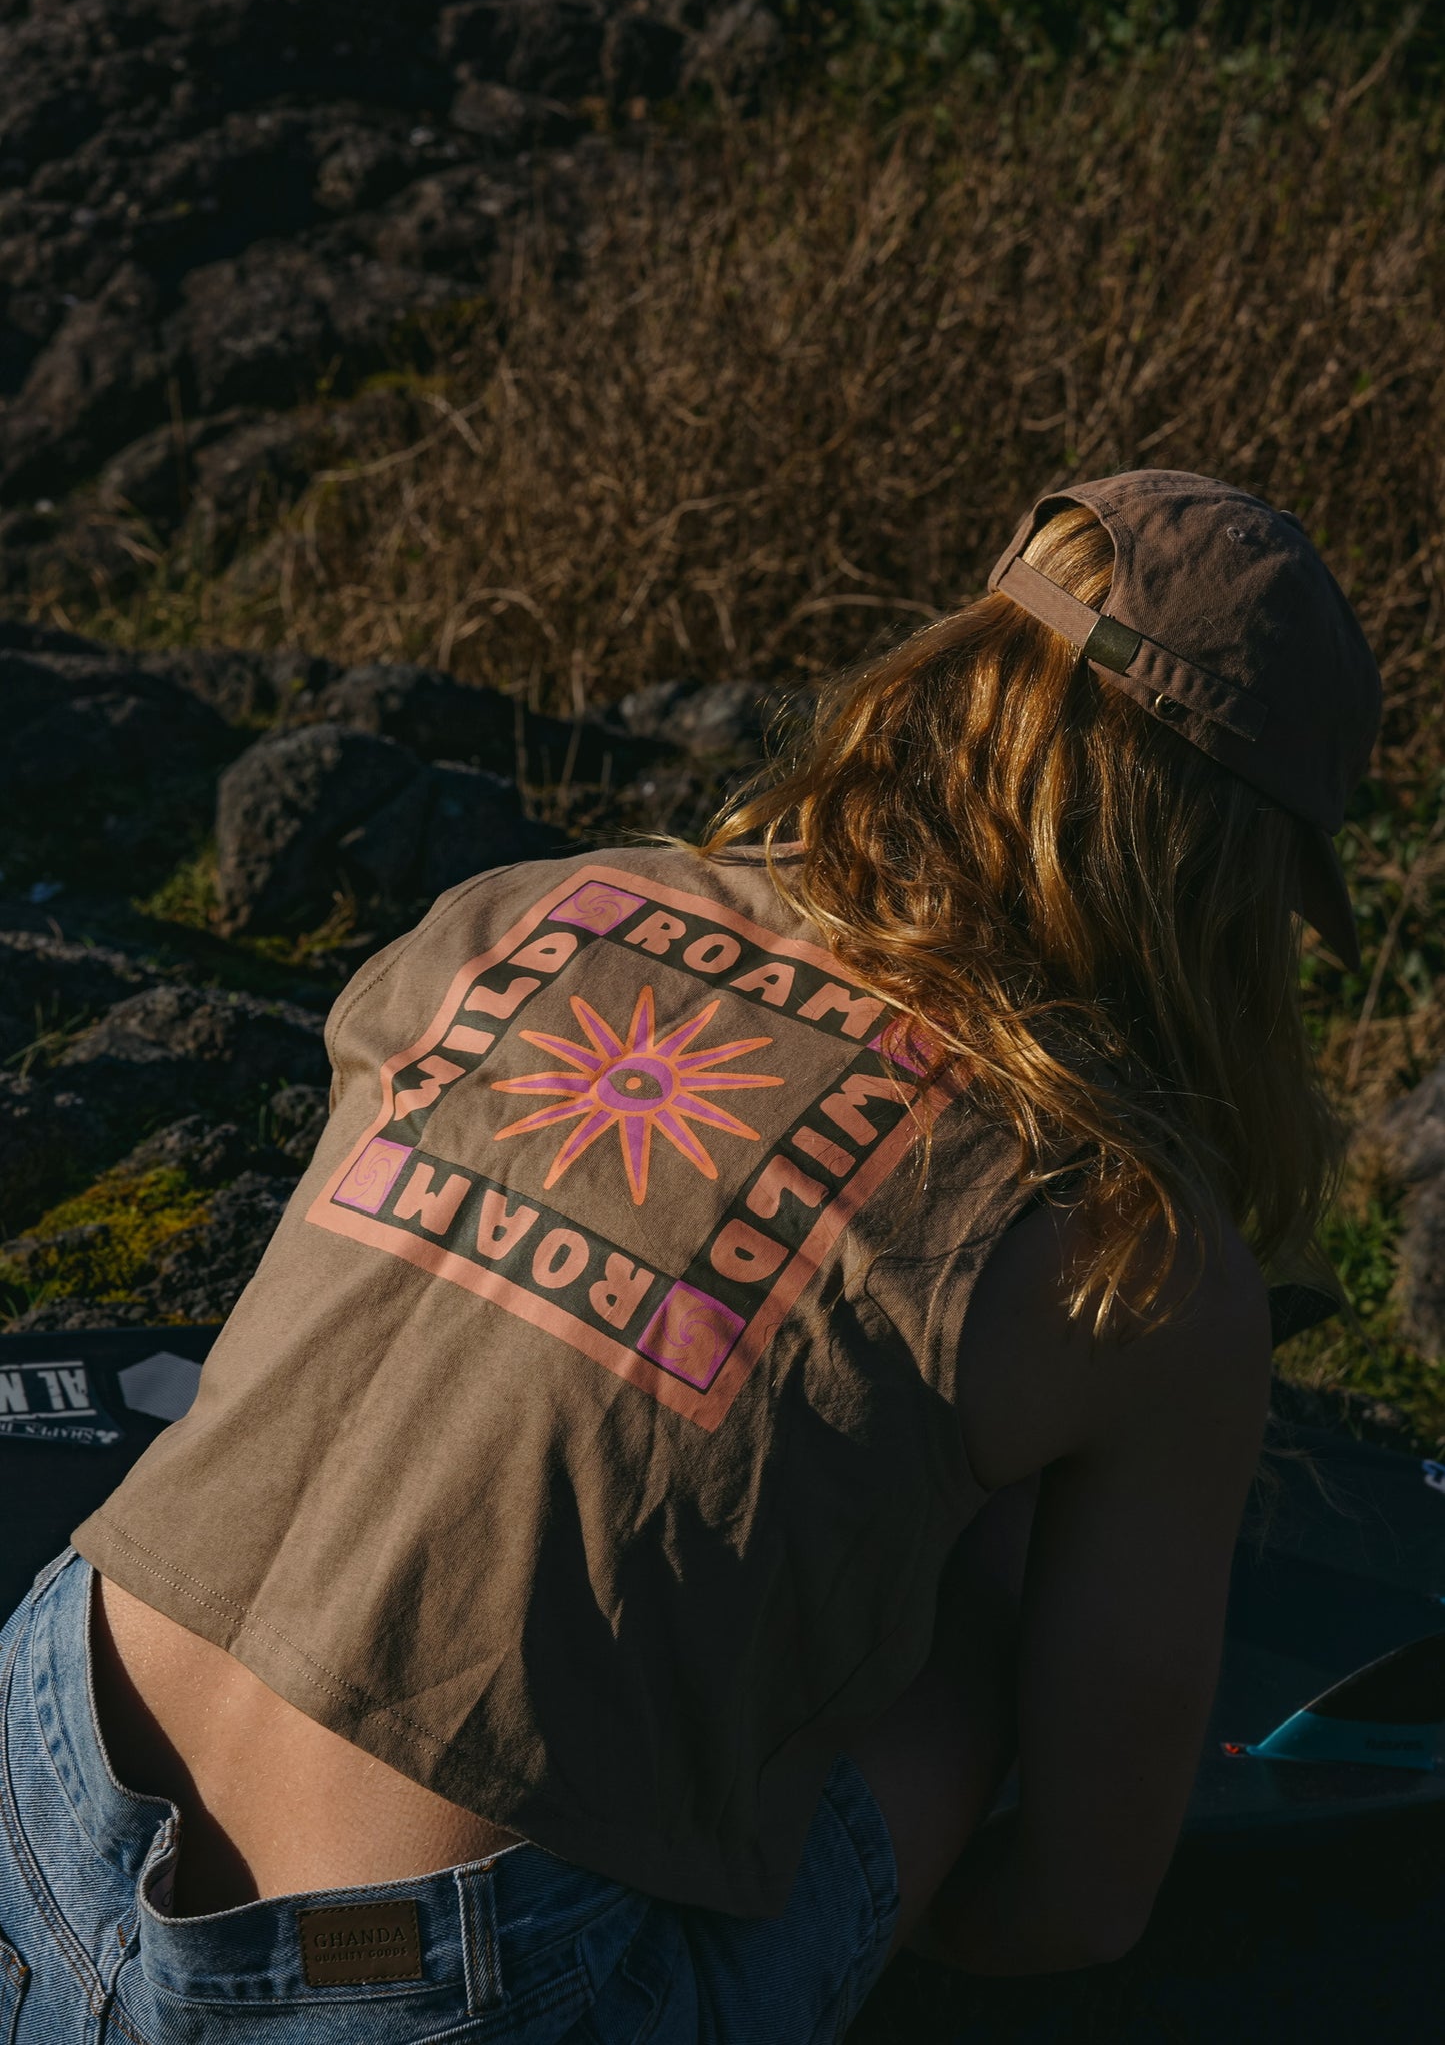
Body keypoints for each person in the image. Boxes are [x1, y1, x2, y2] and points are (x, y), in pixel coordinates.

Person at [0, 469, 1380, 2043]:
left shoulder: (515, 915)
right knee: (983, 1598)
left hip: (45, 1758)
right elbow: (1079, 1905)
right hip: (429, 1985)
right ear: (1230, 883)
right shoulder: (1128, 1253)